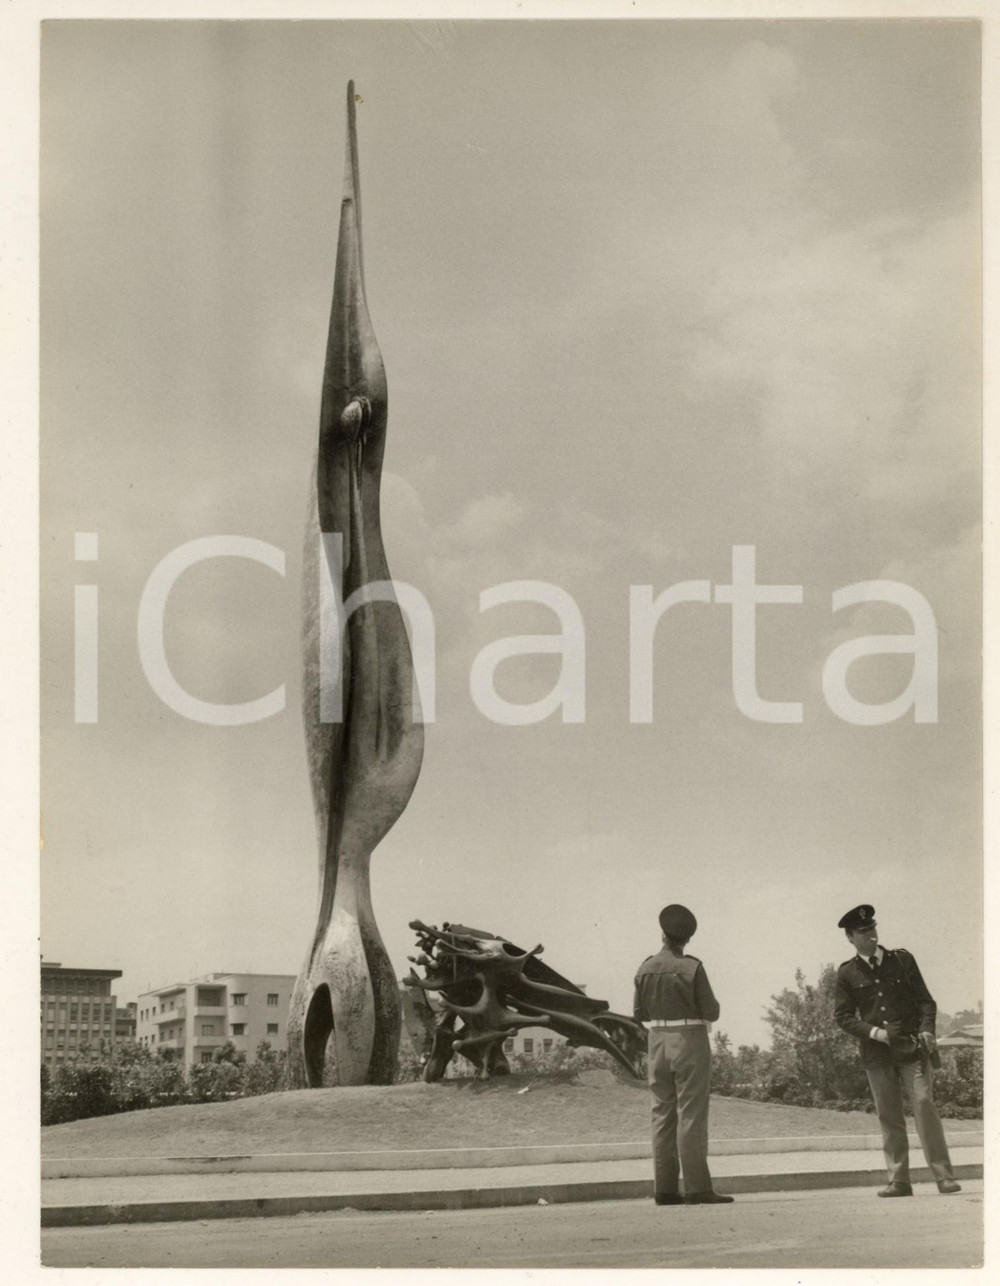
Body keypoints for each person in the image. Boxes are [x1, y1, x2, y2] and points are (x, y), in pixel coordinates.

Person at [833, 903, 961, 1197]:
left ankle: (944, 1177)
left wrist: (927, 1029)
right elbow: (843, 1017)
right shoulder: (847, 973)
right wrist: (874, 1033)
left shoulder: (902, 960)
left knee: (924, 1104)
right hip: (876, 1054)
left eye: (872, 928)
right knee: (889, 1116)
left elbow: (926, 1001)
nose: (870, 934)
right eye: (863, 932)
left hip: (911, 1049)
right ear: (850, 937)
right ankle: (899, 1181)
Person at [633, 904, 733, 1206]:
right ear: (687, 939)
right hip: (689, 1040)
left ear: (662, 934)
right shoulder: (693, 967)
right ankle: (697, 1188)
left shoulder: (645, 967)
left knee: (661, 1114)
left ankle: (664, 1189)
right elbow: (712, 1011)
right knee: (690, 1112)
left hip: (657, 1041)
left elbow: (639, 1013)